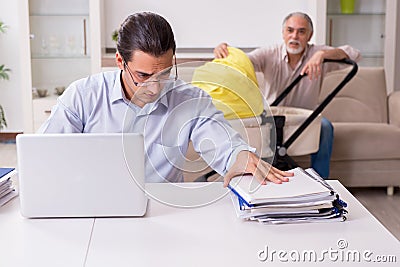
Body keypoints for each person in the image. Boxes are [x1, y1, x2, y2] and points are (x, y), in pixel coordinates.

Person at [38, 12, 292, 187]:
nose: (155, 87)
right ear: (120, 62)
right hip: (92, 206)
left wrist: (240, 157)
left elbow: (223, 145)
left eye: (165, 74)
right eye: (143, 75)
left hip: (165, 210)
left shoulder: (190, 99)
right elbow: (45, 155)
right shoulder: (83, 95)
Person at [213, 12, 361, 178]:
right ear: (283, 33)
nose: (294, 36)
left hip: (305, 118)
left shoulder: (318, 54)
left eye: (301, 31)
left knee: (325, 127)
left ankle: (321, 183)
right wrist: (226, 51)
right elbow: (244, 62)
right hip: (272, 115)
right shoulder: (269, 53)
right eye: (290, 30)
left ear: (309, 35)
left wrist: (322, 56)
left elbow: (354, 53)